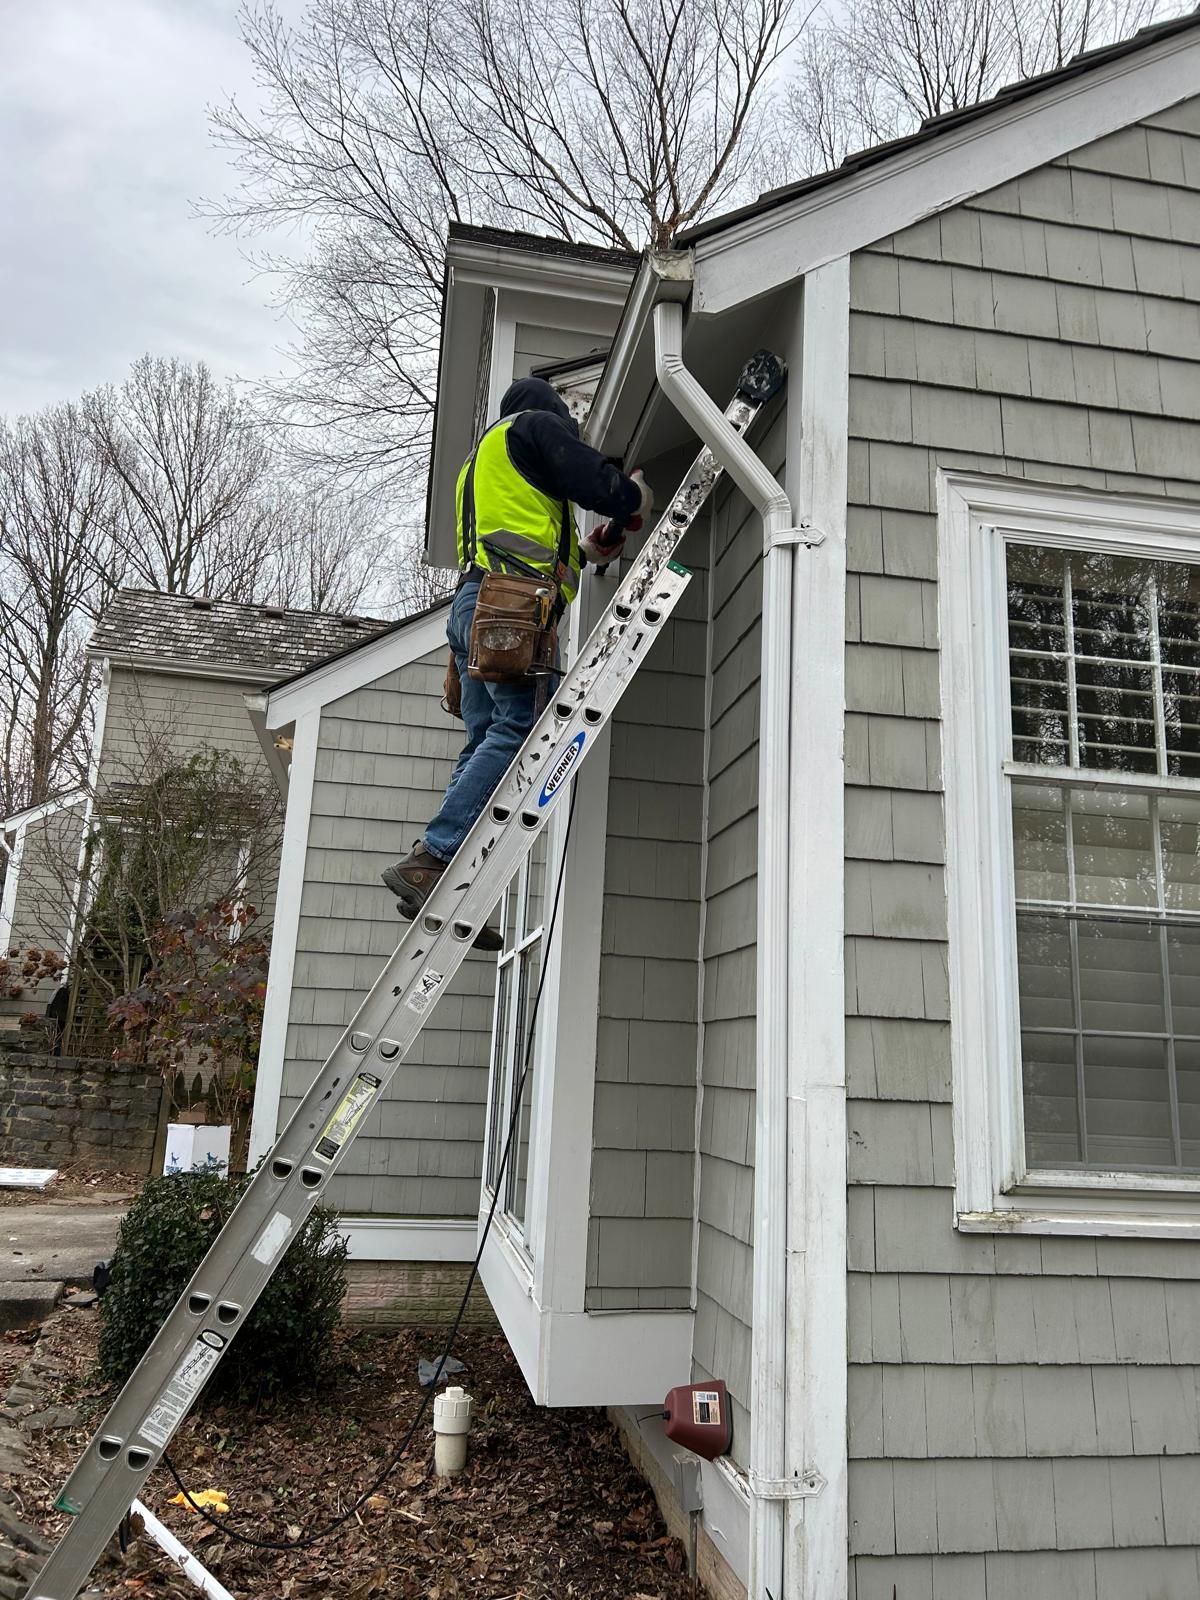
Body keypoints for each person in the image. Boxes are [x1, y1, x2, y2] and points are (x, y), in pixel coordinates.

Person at [381, 376, 652, 949]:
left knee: (485, 740)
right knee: (519, 727)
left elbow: (524, 541)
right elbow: (586, 476)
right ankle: (435, 855)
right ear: (551, 416)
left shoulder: (482, 462)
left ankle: (440, 877)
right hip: (506, 609)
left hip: (474, 606)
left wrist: (588, 549)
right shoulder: (532, 427)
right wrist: (627, 500)